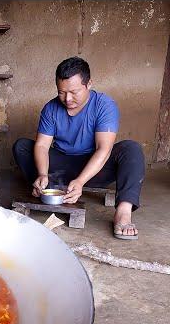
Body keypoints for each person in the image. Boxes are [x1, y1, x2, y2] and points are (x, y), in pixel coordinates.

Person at [12, 56, 145, 240]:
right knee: (22, 146)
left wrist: (81, 181)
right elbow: (42, 145)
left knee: (131, 149)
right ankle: (46, 185)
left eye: (74, 92)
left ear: (89, 84)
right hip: (61, 167)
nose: (67, 98)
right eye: (61, 92)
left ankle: (123, 212)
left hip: (94, 168)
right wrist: (42, 173)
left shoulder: (104, 105)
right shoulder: (51, 108)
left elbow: (103, 149)